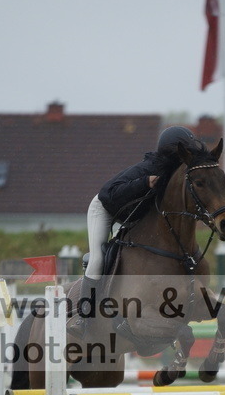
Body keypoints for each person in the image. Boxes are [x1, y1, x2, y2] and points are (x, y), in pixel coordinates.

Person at [78, 125, 204, 307]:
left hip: (133, 214)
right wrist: (144, 182)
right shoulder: (148, 168)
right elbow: (107, 193)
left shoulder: (176, 174)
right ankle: (85, 311)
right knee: (98, 258)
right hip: (106, 208)